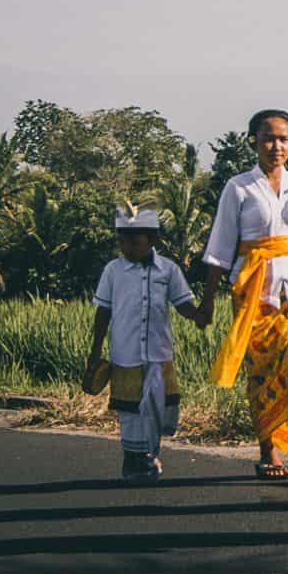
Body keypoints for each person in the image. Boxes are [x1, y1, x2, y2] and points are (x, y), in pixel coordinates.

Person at [199, 109, 288, 484]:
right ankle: (267, 448)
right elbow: (221, 247)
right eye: (269, 138)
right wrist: (208, 299)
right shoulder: (238, 187)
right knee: (262, 373)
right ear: (253, 142)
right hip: (256, 293)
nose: (277, 146)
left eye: (284, 139)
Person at [84, 206, 204, 483]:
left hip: (158, 352)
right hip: (125, 354)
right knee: (130, 410)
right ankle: (133, 460)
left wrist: (199, 314)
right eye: (123, 242)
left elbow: (182, 302)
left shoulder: (168, 270)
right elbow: (103, 311)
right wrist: (95, 351)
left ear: (152, 241)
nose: (128, 248)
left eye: (134, 242)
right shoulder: (113, 271)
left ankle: (150, 454)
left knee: (159, 407)